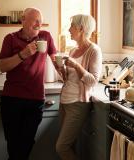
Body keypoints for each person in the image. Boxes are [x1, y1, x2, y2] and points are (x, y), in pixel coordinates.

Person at [0, 7, 56, 160]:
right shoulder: (10, 38)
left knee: (26, 142)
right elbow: (2, 67)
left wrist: (67, 72)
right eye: (36, 21)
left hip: (35, 99)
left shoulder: (46, 36)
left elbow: (56, 59)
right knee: (13, 143)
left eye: (41, 22)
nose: (39, 25)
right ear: (23, 20)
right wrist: (22, 55)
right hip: (12, 99)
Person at [55, 14, 102, 160]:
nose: (69, 30)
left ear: (81, 29)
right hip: (65, 102)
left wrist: (75, 65)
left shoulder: (94, 50)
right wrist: (61, 70)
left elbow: (93, 81)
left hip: (78, 104)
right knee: (70, 146)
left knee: (61, 147)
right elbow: (68, 79)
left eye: (72, 26)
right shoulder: (73, 51)